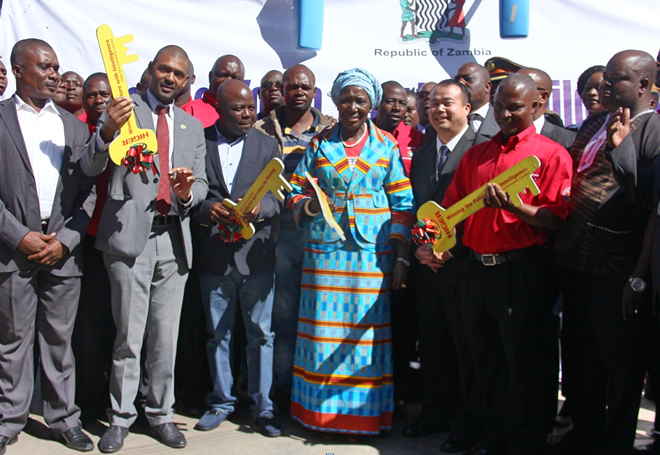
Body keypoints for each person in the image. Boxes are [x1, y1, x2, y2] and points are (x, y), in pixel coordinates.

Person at [82, 45, 208, 453]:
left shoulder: (191, 127)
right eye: (164, 69)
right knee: (129, 337)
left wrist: (189, 193)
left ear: (188, 82)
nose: (170, 78)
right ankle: (120, 418)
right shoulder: (124, 110)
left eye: (179, 73)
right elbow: (90, 165)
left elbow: (202, 185)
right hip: (128, 240)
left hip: (174, 241)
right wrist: (105, 132)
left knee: (164, 338)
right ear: (151, 71)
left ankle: (161, 414)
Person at [440, 73, 572, 455]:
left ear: (535, 106)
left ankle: (527, 440)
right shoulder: (477, 154)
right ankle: (491, 434)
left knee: (527, 362)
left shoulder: (550, 154)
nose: (505, 114)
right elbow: (453, 207)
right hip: (478, 269)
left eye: (514, 107)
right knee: (484, 357)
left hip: (524, 270)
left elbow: (556, 217)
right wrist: (433, 236)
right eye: (499, 106)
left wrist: (515, 205)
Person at [287, 68, 415, 434]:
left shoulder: (387, 145)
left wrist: (401, 254)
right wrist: (308, 206)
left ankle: (364, 416)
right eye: (347, 99)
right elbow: (294, 191)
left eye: (360, 100)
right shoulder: (318, 144)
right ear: (335, 102)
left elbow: (403, 203)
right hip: (325, 253)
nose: (353, 106)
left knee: (364, 336)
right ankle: (318, 415)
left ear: (371, 104)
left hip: (372, 255)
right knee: (323, 335)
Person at [556, 49, 660, 455]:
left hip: (617, 269)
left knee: (620, 366)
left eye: (615, 78)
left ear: (644, 86)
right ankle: (583, 435)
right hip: (576, 261)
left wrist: (638, 276)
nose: (604, 84)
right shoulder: (597, 121)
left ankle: (615, 443)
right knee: (581, 360)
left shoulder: (652, 130)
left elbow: (651, 207)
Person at [0, 38, 96, 454]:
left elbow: (91, 192)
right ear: (18, 70)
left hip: (61, 252)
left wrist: (68, 241)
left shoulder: (74, 126)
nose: (54, 73)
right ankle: (9, 420)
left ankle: (63, 419)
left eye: (56, 66)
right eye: (43, 66)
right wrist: (18, 235)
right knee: (13, 341)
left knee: (59, 341)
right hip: (12, 250)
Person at [193, 79, 282, 436]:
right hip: (214, 255)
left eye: (251, 107)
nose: (248, 115)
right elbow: (191, 194)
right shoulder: (200, 140)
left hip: (256, 257)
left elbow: (280, 198)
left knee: (262, 335)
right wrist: (208, 208)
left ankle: (263, 408)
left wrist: (262, 208)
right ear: (219, 109)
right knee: (218, 334)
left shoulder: (267, 144)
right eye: (238, 109)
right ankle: (221, 402)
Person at [406, 80, 487, 451]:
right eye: (433, 103)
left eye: (448, 103)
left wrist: (452, 252)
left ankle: (467, 423)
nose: (439, 109)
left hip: (465, 265)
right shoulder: (423, 152)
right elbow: (418, 208)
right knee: (433, 345)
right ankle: (434, 413)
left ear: (467, 108)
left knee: (465, 349)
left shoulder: (480, 150)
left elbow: (482, 208)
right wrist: (422, 249)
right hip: (427, 266)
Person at [253, 64, 333, 412]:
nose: (298, 91)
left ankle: (311, 387)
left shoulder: (330, 129)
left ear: (315, 91)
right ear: (281, 89)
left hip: (320, 234)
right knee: (283, 315)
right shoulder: (262, 127)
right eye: (291, 86)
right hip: (279, 233)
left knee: (318, 314)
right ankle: (283, 388)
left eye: (305, 86)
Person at [71, 72, 115, 425]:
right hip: (85, 239)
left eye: (105, 94)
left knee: (119, 328)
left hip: (118, 238)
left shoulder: (130, 130)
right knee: (89, 327)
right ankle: (88, 403)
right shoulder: (74, 129)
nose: (99, 100)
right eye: (92, 95)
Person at [518, 67, 576, 149]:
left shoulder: (569, 141)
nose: (514, 91)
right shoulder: (498, 136)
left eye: (522, 87)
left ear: (543, 97)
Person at [374, 81, 423, 174]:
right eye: (390, 101)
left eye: (402, 103)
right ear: (376, 103)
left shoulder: (417, 138)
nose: (397, 107)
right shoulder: (362, 135)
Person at [182, 54, 245, 128]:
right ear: (210, 77)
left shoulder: (246, 116)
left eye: (235, 78)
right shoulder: (189, 111)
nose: (228, 81)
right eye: (223, 75)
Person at [454, 62, 500, 138]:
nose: (460, 82)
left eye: (468, 79)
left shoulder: (503, 121)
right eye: (456, 80)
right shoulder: (445, 123)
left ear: (487, 87)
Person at [567, 65, 607, 131]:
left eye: (599, 88)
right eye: (587, 88)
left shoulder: (623, 132)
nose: (591, 93)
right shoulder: (569, 134)